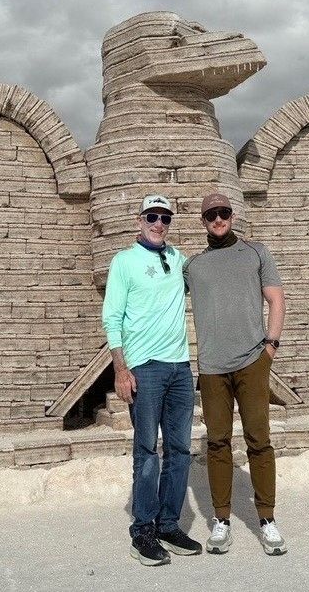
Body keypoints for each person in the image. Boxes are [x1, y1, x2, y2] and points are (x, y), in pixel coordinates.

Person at [183, 192, 288, 556]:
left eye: (223, 212)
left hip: (251, 361)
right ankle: (222, 519)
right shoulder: (193, 265)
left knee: (259, 440)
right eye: (211, 214)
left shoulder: (256, 252)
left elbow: (276, 298)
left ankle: (267, 519)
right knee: (217, 442)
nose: (218, 218)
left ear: (232, 215)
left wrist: (270, 348)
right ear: (203, 221)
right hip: (212, 368)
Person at [102, 194, 202, 566]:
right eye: (152, 216)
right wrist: (120, 369)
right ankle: (143, 530)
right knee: (147, 451)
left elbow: (209, 282)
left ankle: (169, 524)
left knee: (179, 450)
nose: (159, 223)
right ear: (139, 220)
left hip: (179, 368)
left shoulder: (179, 260)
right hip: (144, 367)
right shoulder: (124, 261)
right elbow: (112, 317)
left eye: (165, 218)